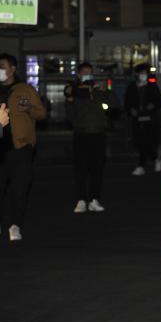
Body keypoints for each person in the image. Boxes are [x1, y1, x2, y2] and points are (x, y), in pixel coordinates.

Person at [0, 53, 47, 241]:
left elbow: (41, 113)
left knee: (19, 188)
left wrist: (29, 109)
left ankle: (15, 225)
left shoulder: (26, 89)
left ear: (13, 68)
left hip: (20, 147)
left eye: (3, 66)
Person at [64, 63, 118, 213]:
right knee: (80, 168)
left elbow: (114, 105)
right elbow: (69, 115)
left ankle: (95, 199)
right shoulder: (74, 91)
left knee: (97, 168)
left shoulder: (98, 90)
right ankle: (81, 199)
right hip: (81, 133)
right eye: (84, 73)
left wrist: (106, 90)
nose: (87, 75)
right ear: (79, 75)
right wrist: (70, 98)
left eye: (90, 73)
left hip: (98, 134)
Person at [124, 64, 161, 176]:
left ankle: (141, 166)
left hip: (150, 118)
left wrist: (152, 105)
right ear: (136, 74)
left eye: (145, 73)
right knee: (141, 141)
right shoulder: (132, 87)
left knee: (146, 141)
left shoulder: (152, 86)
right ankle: (156, 159)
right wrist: (131, 109)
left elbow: (159, 101)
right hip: (137, 118)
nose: (143, 75)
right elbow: (127, 102)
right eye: (141, 73)